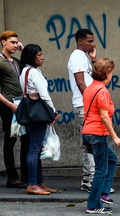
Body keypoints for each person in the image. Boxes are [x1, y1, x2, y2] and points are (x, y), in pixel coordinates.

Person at [82, 58, 120, 214]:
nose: (112, 75)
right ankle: (93, 204)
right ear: (106, 73)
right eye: (111, 72)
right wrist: (115, 137)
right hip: (97, 134)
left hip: (87, 133)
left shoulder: (89, 88)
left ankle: (104, 195)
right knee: (101, 170)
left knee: (111, 159)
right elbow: (104, 117)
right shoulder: (103, 91)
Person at [19, 44, 58, 195]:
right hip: (38, 113)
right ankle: (33, 184)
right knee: (35, 148)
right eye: (39, 55)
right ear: (31, 57)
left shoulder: (25, 71)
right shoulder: (33, 72)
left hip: (31, 113)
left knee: (35, 147)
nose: (42, 57)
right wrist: (53, 111)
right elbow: (44, 94)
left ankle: (39, 183)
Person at [67, 29, 96, 192]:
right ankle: (92, 180)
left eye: (92, 41)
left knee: (87, 142)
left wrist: (93, 59)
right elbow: (80, 83)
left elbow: (94, 77)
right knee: (92, 142)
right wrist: (92, 101)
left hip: (85, 104)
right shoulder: (77, 56)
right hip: (84, 105)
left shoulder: (83, 56)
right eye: (89, 41)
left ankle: (88, 179)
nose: (92, 44)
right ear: (80, 41)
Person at [0, 30, 29, 188]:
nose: (15, 45)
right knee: (10, 140)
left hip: (21, 104)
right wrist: (9, 105)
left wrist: (23, 51)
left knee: (26, 139)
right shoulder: (0, 61)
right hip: (8, 105)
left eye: (16, 42)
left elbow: (29, 69)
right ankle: (12, 177)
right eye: (12, 42)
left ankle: (25, 175)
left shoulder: (17, 61)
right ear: (3, 42)